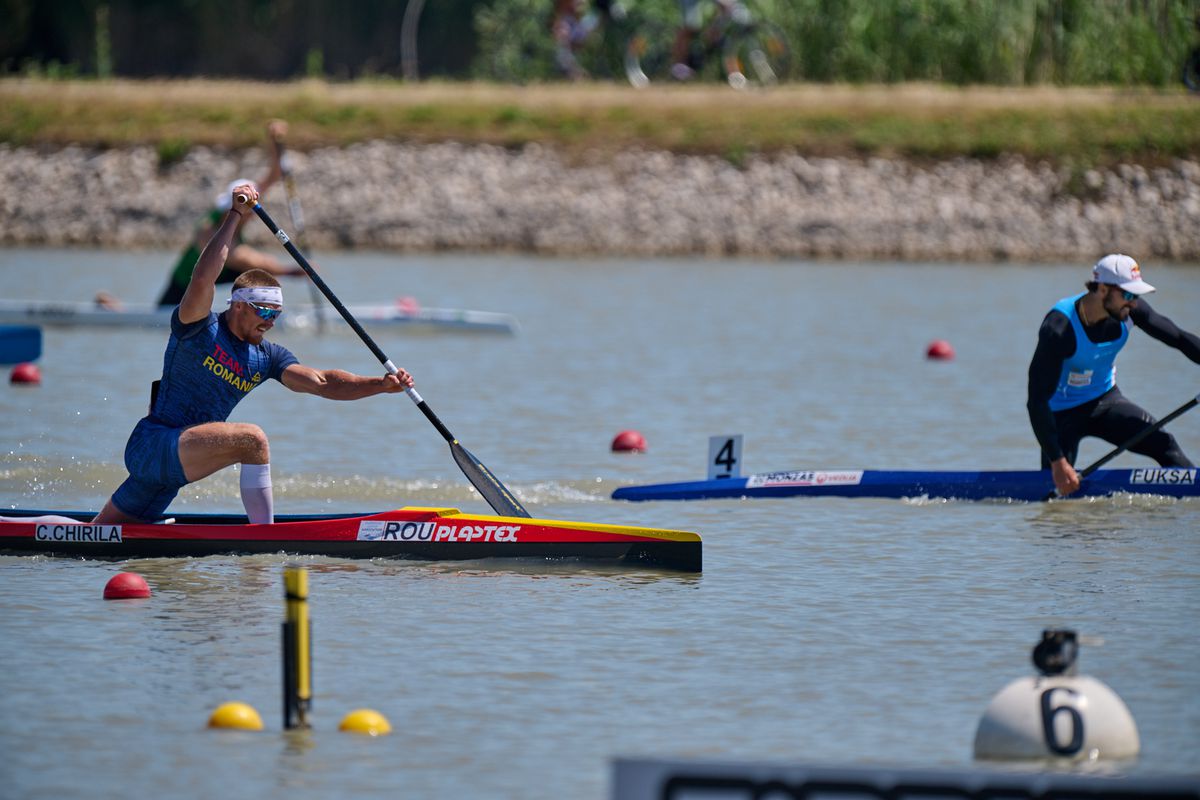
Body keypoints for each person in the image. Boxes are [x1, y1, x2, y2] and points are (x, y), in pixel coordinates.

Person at [91, 183, 414, 525]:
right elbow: (203, 277)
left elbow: (322, 382)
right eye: (265, 312)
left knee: (98, 533)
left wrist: (380, 384)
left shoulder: (267, 357)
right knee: (252, 440)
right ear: (240, 306)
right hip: (154, 445)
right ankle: (266, 533)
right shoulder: (198, 326)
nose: (271, 322)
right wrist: (235, 215)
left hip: (174, 468)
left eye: (276, 315)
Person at [1027, 254, 1200, 496]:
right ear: (1102, 289)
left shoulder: (1131, 311)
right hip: (1059, 415)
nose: (1133, 303)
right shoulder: (1059, 329)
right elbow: (1036, 400)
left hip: (1105, 402)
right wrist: (1057, 462)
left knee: (1165, 445)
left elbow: (1179, 338)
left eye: (1136, 295)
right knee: (1056, 492)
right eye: (1128, 295)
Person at [155, 119, 304, 307]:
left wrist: (275, 141)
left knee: (257, 277)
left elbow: (275, 174)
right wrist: (290, 271)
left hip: (222, 274)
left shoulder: (248, 202)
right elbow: (238, 257)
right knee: (254, 270)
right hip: (186, 286)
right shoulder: (207, 227)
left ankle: (262, 313)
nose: (246, 212)